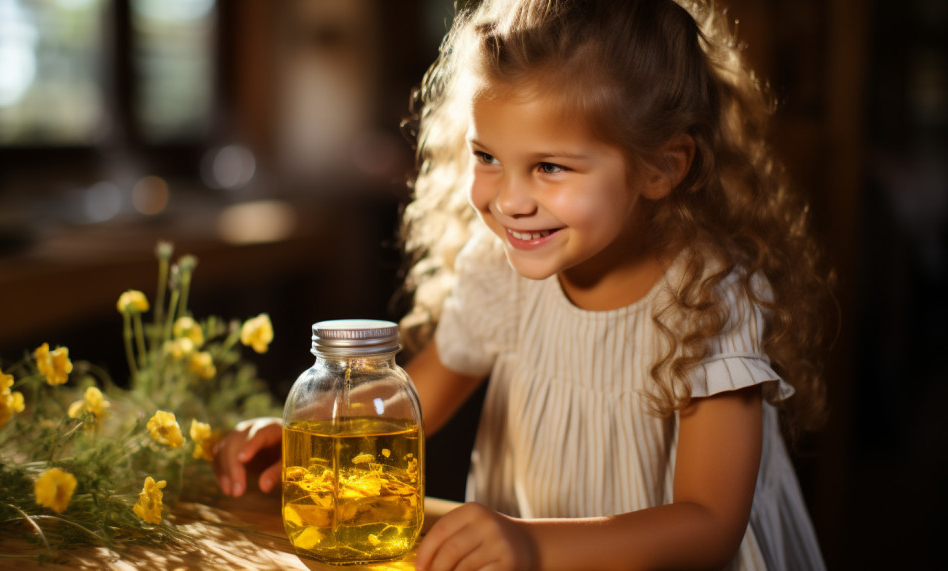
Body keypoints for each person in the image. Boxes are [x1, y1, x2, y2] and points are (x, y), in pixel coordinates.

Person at [215, 0, 835, 568]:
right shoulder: (500, 272)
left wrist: (532, 540)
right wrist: (313, 435)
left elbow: (709, 526)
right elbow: (408, 408)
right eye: (487, 157)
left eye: (550, 167)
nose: (509, 200)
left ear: (661, 168)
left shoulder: (708, 299)